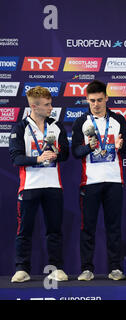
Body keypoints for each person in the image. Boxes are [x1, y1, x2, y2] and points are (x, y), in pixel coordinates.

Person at [71, 80, 126, 280]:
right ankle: (87, 269)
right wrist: (89, 146)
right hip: (90, 183)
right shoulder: (81, 122)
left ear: (106, 98)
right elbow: (75, 152)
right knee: (87, 227)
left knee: (113, 227)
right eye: (92, 101)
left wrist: (122, 145)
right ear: (87, 100)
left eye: (99, 100)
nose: (96, 104)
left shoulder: (118, 119)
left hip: (114, 181)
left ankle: (115, 268)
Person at [9, 86, 69, 282]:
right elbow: (16, 158)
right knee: (24, 230)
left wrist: (56, 154)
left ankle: (56, 268)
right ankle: (22, 269)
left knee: (54, 230)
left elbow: (67, 155)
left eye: (50, 103)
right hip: (29, 187)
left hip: (53, 186)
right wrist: (38, 159)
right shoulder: (20, 128)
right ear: (34, 107)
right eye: (47, 105)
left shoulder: (56, 126)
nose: (51, 108)